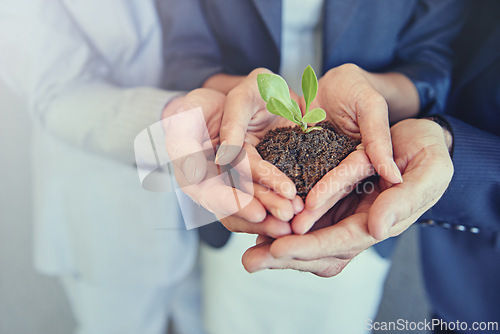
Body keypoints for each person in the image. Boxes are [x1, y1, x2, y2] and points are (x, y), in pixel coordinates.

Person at [162, 1, 465, 333]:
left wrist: (371, 95)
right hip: (237, 171)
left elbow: (432, 63)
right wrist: (231, 99)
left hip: (355, 190)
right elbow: (185, 55)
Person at [0, 1, 214, 333]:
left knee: (207, 316)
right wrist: (176, 120)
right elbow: (57, 90)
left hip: (213, 198)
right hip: (111, 204)